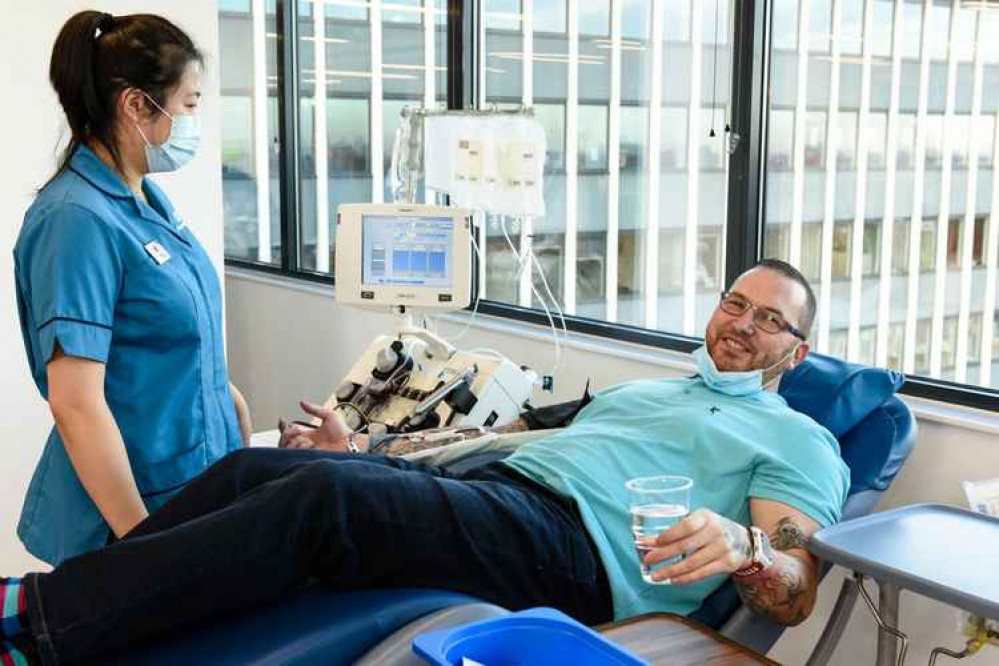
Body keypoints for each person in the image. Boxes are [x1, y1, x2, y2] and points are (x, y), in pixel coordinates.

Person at [0, 260, 849, 665]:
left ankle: (35, 622)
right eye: (733, 301)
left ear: (797, 352)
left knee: (327, 503)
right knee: (252, 472)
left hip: (573, 552)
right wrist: (364, 454)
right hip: (486, 491)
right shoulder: (642, 395)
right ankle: (94, 620)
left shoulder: (795, 439)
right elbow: (505, 440)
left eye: (767, 319)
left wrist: (745, 549)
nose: (740, 321)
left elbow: (797, 585)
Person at [13, 11, 251, 567]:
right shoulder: (76, 219)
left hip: (194, 484)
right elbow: (76, 404)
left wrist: (233, 417)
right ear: (137, 106)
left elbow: (172, 342)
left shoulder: (146, 203)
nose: (197, 120)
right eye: (189, 104)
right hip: (130, 518)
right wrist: (145, 551)